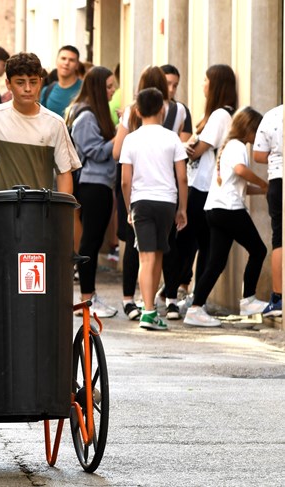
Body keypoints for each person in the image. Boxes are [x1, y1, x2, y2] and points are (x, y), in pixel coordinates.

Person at [112, 66, 188, 321]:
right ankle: (152, 308)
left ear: (136, 111)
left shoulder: (131, 140)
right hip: (167, 202)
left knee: (145, 257)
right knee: (156, 256)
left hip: (141, 202)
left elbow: (125, 181)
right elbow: (183, 177)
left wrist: (129, 207)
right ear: (163, 109)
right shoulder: (173, 138)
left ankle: (147, 310)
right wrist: (182, 208)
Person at [184, 107, 268, 327]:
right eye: (257, 130)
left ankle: (195, 308)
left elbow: (236, 183)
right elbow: (240, 170)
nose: (258, 135)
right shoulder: (238, 146)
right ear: (248, 128)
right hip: (230, 210)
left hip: (215, 210)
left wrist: (263, 189)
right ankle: (248, 300)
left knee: (216, 263)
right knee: (259, 250)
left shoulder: (227, 147)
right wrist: (262, 182)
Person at [0, 52, 79, 195]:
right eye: (20, 82)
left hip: (38, 211)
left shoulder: (55, 123)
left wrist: (64, 214)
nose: (28, 88)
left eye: (33, 82)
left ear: (40, 82)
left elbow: (64, 174)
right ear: (8, 84)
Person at [178, 64, 237, 304]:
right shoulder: (218, 114)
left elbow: (196, 150)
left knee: (202, 245)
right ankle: (190, 297)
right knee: (201, 245)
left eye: (205, 79)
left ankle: (191, 299)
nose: (202, 84)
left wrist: (185, 145)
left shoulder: (220, 115)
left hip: (205, 187)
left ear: (216, 85)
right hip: (203, 186)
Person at [68, 66, 118, 317]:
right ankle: (86, 299)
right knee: (90, 242)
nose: (113, 91)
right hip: (91, 184)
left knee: (93, 242)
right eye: (109, 86)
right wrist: (119, 136)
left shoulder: (95, 114)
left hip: (100, 184)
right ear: (98, 88)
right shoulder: (86, 116)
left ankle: (90, 296)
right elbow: (95, 152)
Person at [253, 104, 283, 317]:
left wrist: (275, 155)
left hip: (277, 180)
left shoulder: (272, 115)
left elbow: (258, 155)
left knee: (279, 237)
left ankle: (279, 298)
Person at [40, 45, 82, 118]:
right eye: (63, 58)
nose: (66, 63)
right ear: (56, 61)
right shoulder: (47, 91)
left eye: (71, 60)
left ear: (77, 65)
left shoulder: (85, 89)